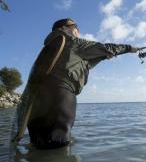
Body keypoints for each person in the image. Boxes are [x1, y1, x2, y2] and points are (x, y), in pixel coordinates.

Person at [13, 18, 138, 149]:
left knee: (39, 146)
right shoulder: (73, 41)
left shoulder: (49, 47)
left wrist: (101, 56)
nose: (78, 30)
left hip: (35, 104)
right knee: (58, 148)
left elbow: (77, 63)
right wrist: (130, 48)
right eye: (75, 26)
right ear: (63, 28)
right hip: (60, 97)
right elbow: (107, 48)